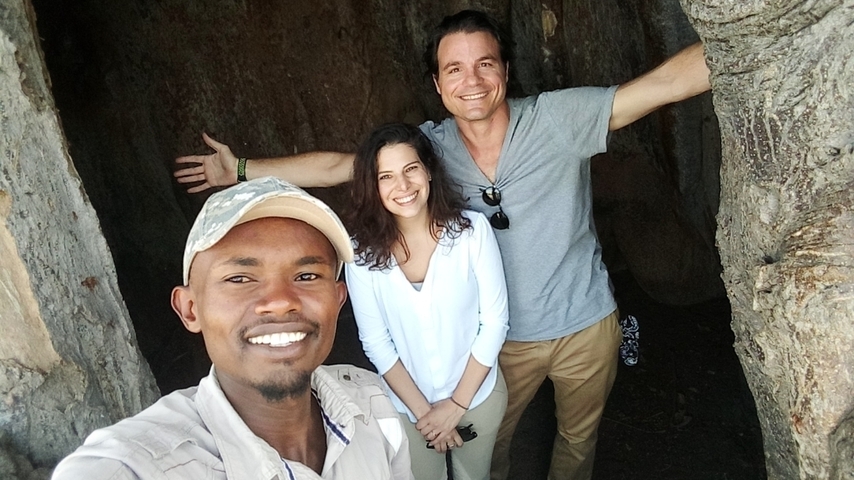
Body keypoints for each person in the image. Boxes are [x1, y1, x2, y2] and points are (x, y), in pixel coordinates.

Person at [173, 10, 711, 480]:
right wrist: (240, 170)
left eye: (485, 64)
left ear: (504, 70)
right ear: (437, 83)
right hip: (500, 344)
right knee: (492, 446)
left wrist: (757, 34)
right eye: (454, 68)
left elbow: (662, 85)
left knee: (577, 441)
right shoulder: (428, 150)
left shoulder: (557, 119)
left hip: (586, 323)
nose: (471, 80)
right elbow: (344, 166)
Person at [52, 177, 414, 480]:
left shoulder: (370, 406)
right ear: (190, 309)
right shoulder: (137, 465)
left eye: (306, 275)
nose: (280, 301)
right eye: (240, 278)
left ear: (338, 300)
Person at [344, 123, 509, 480]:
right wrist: (426, 415)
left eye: (410, 169)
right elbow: (375, 342)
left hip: (477, 398)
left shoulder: (472, 232)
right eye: (385, 176)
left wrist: (456, 406)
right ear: (372, 187)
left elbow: (495, 323)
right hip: (406, 410)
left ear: (429, 171)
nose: (402, 186)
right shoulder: (359, 255)